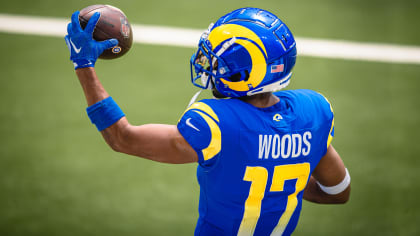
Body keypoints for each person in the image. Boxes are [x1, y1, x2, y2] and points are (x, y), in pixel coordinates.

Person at [65, 7, 350, 236]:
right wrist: (285, 182)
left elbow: (122, 138)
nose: (209, 63)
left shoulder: (215, 124)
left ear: (244, 73)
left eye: (217, 60)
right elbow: (338, 192)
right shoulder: (313, 113)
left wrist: (83, 65)